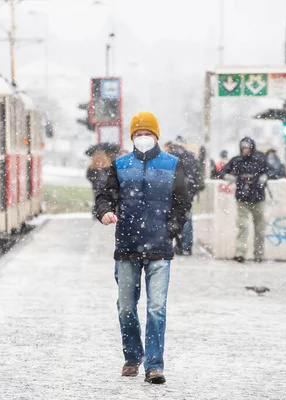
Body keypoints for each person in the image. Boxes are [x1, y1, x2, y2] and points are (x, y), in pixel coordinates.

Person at [95, 111, 191, 384]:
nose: (143, 138)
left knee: (156, 308)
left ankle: (154, 365)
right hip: (127, 247)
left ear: (156, 136)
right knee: (126, 308)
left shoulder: (173, 164)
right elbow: (104, 196)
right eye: (138, 134)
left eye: (147, 134)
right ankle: (133, 356)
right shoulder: (120, 165)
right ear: (132, 137)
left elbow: (182, 202)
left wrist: (171, 229)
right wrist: (104, 212)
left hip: (160, 249)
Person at [222, 137, 268, 263]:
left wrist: (264, 177)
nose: (245, 150)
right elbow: (222, 171)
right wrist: (230, 177)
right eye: (243, 148)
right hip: (242, 197)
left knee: (259, 228)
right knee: (242, 226)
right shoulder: (237, 160)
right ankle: (240, 252)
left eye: (247, 147)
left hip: (258, 197)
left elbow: (272, 170)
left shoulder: (260, 158)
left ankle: (258, 254)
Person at [172, 137, 205, 255]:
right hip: (184, 194)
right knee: (184, 220)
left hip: (183, 195)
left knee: (185, 221)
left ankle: (184, 245)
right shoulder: (190, 159)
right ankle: (183, 245)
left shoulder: (181, 159)